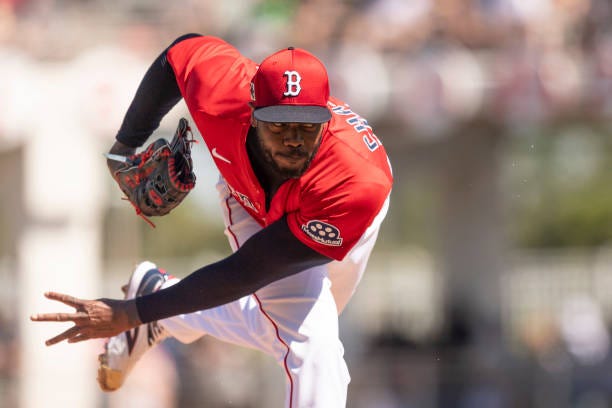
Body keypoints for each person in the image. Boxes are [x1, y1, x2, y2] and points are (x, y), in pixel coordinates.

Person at [30, 33, 393, 408]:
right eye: (279, 126)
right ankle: (162, 307)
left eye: (306, 127)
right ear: (251, 113)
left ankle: (157, 298)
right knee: (312, 342)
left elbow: (249, 270)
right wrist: (125, 144)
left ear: (326, 119)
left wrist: (135, 312)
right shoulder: (225, 91)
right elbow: (179, 54)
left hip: (334, 211)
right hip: (246, 196)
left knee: (293, 328)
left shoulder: (354, 183)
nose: (293, 142)